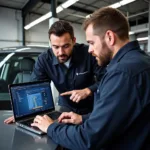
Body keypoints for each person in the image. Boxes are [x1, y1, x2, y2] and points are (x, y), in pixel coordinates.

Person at [30, 7, 150, 150]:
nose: (90, 49)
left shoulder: (122, 73)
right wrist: (83, 119)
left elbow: (89, 138)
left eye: (92, 43)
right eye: (55, 47)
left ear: (110, 37)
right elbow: (117, 113)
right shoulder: (140, 61)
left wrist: (51, 127)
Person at [4, 20, 104, 124]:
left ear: (73, 41)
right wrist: (24, 114)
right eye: (56, 47)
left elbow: (106, 79)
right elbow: (35, 88)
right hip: (64, 108)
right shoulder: (44, 60)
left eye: (66, 46)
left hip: (91, 108)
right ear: (50, 44)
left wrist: (88, 90)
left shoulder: (88, 53)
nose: (61, 52)